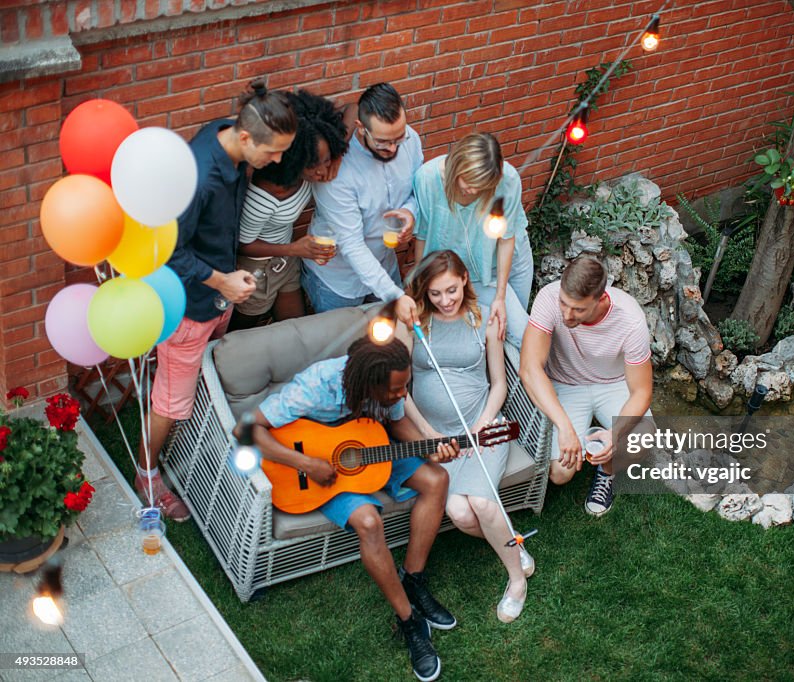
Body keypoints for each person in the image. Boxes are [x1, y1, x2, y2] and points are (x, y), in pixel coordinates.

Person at [242, 335, 458, 682]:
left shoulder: (389, 384)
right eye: (396, 390)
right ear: (369, 384)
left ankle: (413, 580)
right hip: (321, 474)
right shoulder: (317, 385)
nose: (403, 394)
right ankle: (408, 621)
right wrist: (306, 463)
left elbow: (399, 423)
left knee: (437, 479)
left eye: (405, 387)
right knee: (369, 522)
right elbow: (248, 428)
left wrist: (432, 448)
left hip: (375, 449)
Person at [136, 81, 297, 521]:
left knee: (195, 382)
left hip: (216, 297)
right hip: (189, 306)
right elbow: (168, 251)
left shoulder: (226, 132)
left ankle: (192, 444)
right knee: (170, 402)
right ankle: (146, 473)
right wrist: (221, 282)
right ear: (246, 138)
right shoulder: (201, 178)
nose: (277, 161)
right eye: (274, 151)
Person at [403, 250, 533, 624]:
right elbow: (402, 392)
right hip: (440, 438)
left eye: (451, 290)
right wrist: (428, 433)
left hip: (482, 426)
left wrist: (483, 424)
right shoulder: (416, 323)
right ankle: (512, 539)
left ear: (464, 281)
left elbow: (498, 385)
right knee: (459, 514)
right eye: (435, 294)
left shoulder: (484, 319)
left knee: (482, 503)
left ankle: (516, 582)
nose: (445, 301)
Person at [519, 256, 654, 517]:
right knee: (560, 473)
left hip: (613, 384)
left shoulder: (631, 320)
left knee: (646, 440)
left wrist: (615, 435)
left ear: (601, 299)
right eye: (564, 304)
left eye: (578, 310)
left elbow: (642, 392)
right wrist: (564, 427)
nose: (567, 315)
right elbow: (529, 368)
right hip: (565, 384)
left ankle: (606, 472)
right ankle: (580, 440)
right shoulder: (549, 298)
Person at [302, 82, 419, 326]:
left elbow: (417, 191)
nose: (394, 148)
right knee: (339, 352)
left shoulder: (411, 140)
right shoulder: (337, 173)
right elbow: (352, 245)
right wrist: (395, 295)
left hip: (384, 266)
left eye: (399, 137)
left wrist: (410, 211)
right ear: (360, 128)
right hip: (337, 281)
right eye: (384, 142)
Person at [230, 90, 349, 330]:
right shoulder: (264, 195)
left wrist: (337, 156)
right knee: (245, 331)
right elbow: (242, 244)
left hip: (287, 260)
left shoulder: (308, 172)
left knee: (295, 328)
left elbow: (355, 108)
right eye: (316, 165)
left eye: (327, 160)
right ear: (295, 160)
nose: (322, 172)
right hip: (257, 268)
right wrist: (294, 248)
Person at [412, 132, 533, 347]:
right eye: (468, 182)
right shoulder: (427, 179)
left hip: (509, 259)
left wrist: (500, 297)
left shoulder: (509, 180)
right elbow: (422, 235)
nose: (474, 190)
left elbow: (507, 238)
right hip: (467, 273)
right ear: (457, 166)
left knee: (517, 331)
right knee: (501, 330)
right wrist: (419, 287)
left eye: (483, 186)